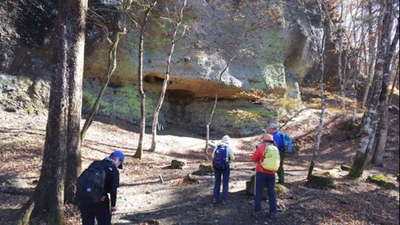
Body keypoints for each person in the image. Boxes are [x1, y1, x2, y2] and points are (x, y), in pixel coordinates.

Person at [77, 150, 125, 225]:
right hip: (100, 200)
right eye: (119, 164)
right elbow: (113, 190)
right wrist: (113, 205)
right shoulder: (114, 170)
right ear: (117, 160)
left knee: (87, 222)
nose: (118, 166)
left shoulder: (95, 163)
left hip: (85, 198)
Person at [252, 133, 278, 220]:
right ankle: (273, 212)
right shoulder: (275, 148)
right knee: (272, 193)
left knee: (258, 192)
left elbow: (254, 159)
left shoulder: (261, 147)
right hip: (272, 173)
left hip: (261, 172)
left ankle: (257, 211)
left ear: (264, 140)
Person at [212, 135, 235, 204]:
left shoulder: (217, 147)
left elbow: (213, 156)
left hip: (216, 167)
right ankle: (224, 199)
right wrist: (229, 161)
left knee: (217, 182)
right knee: (225, 183)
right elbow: (233, 157)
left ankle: (215, 199)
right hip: (225, 166)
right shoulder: (228, 148)